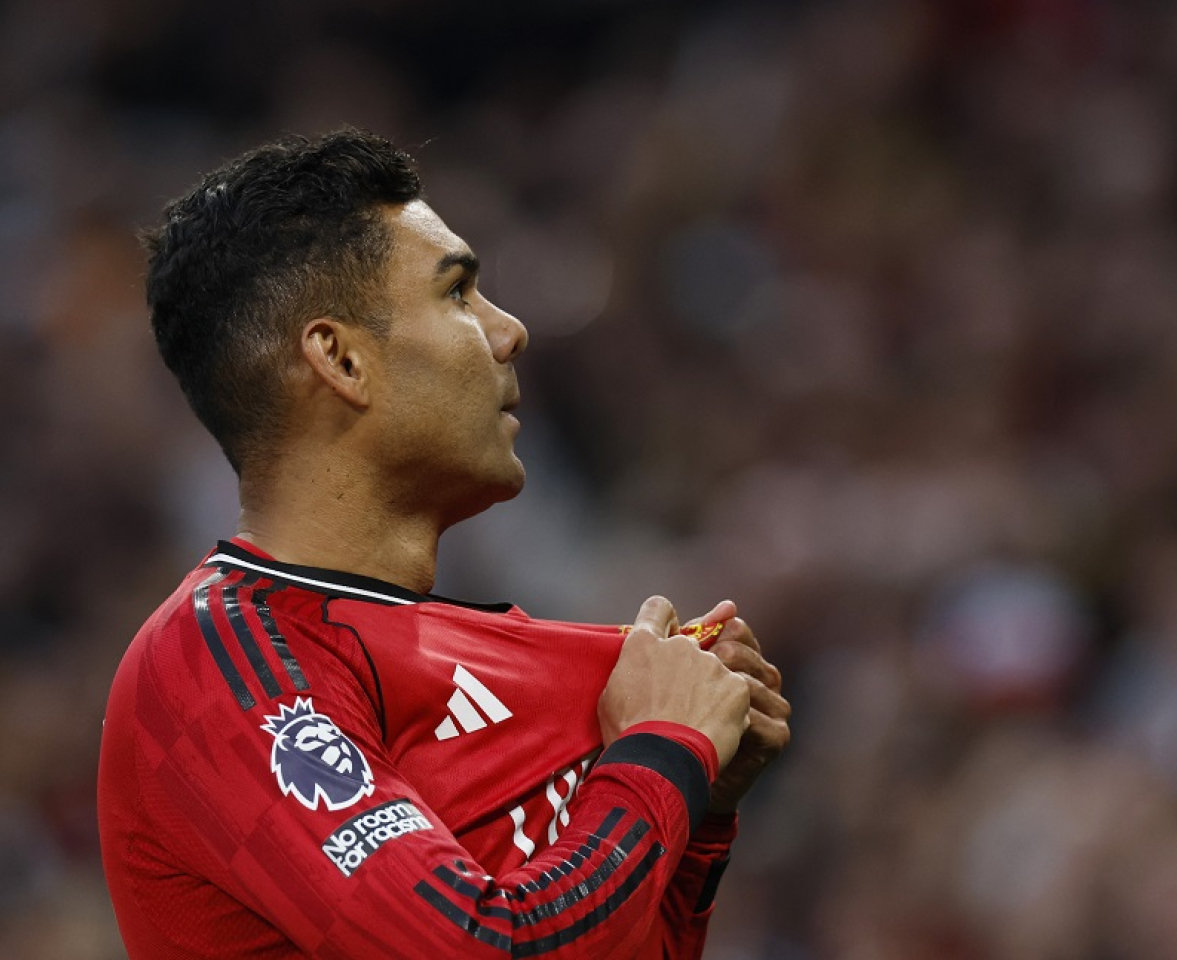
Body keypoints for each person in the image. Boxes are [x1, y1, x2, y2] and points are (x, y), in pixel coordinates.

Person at [97, 129, 791, 958]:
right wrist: (661, 753)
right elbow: (483, 949)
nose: (510, 331)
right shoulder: (216, 666)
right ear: (340, 359)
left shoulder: (501, 656)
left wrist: (699, 814)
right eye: (459, 294)